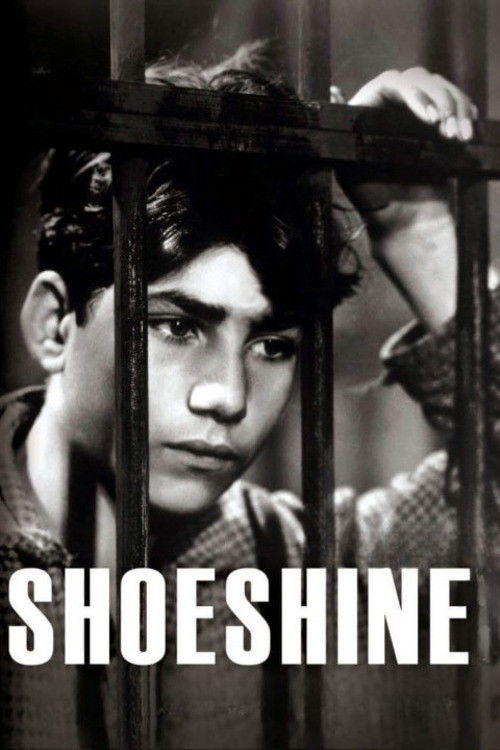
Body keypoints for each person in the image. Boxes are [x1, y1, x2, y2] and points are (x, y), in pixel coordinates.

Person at [0, 44, 497, 749]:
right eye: (177, 327)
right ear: (53, 324)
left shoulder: (310, 578)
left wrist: (423, 240)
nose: (228, 396)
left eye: (271, 345)